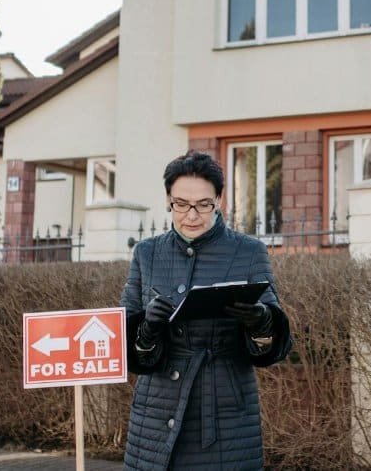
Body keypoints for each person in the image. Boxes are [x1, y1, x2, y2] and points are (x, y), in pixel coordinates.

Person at [120, 150, 293, 470]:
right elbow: (124, 336)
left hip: (225, 412)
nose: (191, 215)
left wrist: (261, 322)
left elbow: (272, 337)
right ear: (168, 200)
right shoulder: (147, 253)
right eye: (181, 204)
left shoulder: (248, 251)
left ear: (219, 201)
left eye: (203, 205)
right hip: (156, 411)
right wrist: (147, 330)